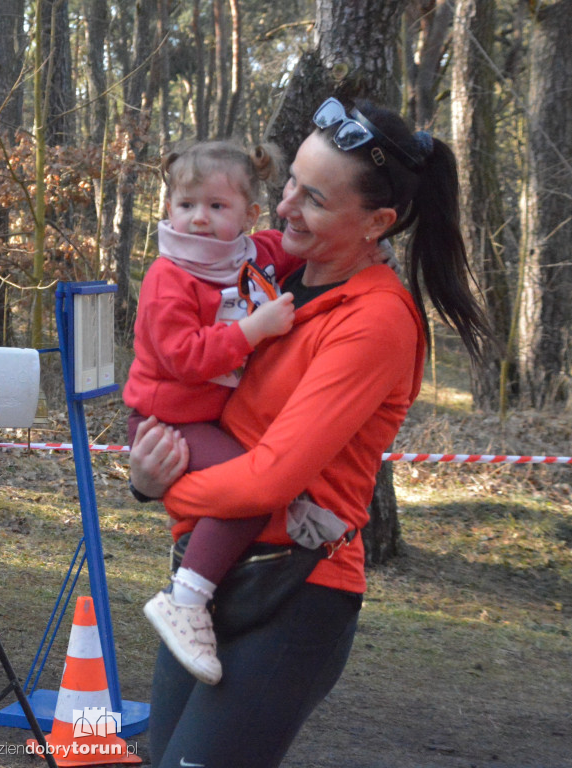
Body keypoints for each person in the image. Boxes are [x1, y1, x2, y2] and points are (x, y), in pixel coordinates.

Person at [129, 96, 491, 768]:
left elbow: (273, 475)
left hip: (293, 590)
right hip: (206, 576)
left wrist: (168, 492)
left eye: (315, 199)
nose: (287, 205)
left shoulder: (376, 321)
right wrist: (144, 475)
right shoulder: (273, 272)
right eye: (291, 180)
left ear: (375, 222)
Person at [123, 140, 302, 686]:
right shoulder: (168, 276)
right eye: (186, 204)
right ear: (168, 208)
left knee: (259, 483)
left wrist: (374, 251)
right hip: (166, 418)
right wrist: (254, 330)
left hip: (210, 420)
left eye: (217, 207)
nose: (198, 219)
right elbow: (183, 357)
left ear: (249, 215)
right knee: (250, 489)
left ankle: (294, 514)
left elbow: (304, 249)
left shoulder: (256, 254)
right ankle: (186, 599)